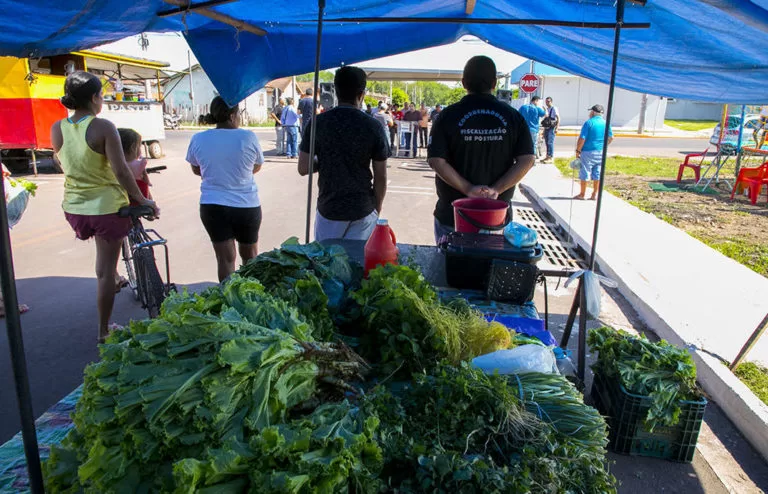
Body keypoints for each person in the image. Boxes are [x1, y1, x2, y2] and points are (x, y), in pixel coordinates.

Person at [51, 71, 158, 343]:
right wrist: (144, 200)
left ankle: (116, 283)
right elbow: (121, 171)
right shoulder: (103, 126)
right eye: (101, 95)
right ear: (95, 98)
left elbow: (62, 162)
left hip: (74, 209)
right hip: (106, 209)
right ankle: (103, 330)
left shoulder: (57, 128)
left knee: (104, 270)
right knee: (104, 273)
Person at [428, 56, 535, 243]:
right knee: (492, 269)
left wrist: (468, 188)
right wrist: (496, 189)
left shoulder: (447, 115)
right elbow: (527, 159)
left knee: (448, 268)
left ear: (463, 83)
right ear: (494, 83)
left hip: (453, 215)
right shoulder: (512, 116)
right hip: (496, 217)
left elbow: (436, 160)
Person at [298, 66, 388, 242]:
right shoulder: (373, 126)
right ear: (361, 94)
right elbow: (381, 176)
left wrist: (323, 159)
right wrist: (376, 208)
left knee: (328, 265)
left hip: (329, 208)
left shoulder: (319, 123)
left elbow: (303, 167)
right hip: (362, 209)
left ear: (336, 91)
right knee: (358, 264)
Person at [186, 96, 265, 282]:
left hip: (213, 207)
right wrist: (240, 174)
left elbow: (196, 168)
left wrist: (217, 174)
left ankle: (227, 301)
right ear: (232, 116)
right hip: (246, 206)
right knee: (250, 258)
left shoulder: (198, 138)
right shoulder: (248, 137)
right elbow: (257, 165)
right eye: (239, 114)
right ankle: (249, 300)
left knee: (224, 260)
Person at [574, 104, 613, 200]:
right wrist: (604, 146)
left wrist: (578, 150)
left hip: (587, 152)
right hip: (600, 152)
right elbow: (611, 137)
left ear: (593, 112)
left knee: (585, 172)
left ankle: (582, 194)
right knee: (597, 174)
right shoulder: (606, 123)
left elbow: (582, 138)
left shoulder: (589, 123)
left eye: (590, 111)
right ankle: (594, 194)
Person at [117, 128, 152, 203]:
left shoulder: (112, 164)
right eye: (139, 146)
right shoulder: (139, 164)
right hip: (138, 200)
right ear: (133, 147)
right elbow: (146, 180)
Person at [542, 96, 559, 163]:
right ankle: (547, 156)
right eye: (546, 101)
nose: (547, 103)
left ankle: (550, 157)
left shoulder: (554, 108)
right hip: (547, 128)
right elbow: (546, 121)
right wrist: (543, 131)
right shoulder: (547, 109)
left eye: (548, 101)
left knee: (550, 142)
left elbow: (558, 118)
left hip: (552, 128)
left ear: (551, 101)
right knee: (547, 142)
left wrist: (557, 127)